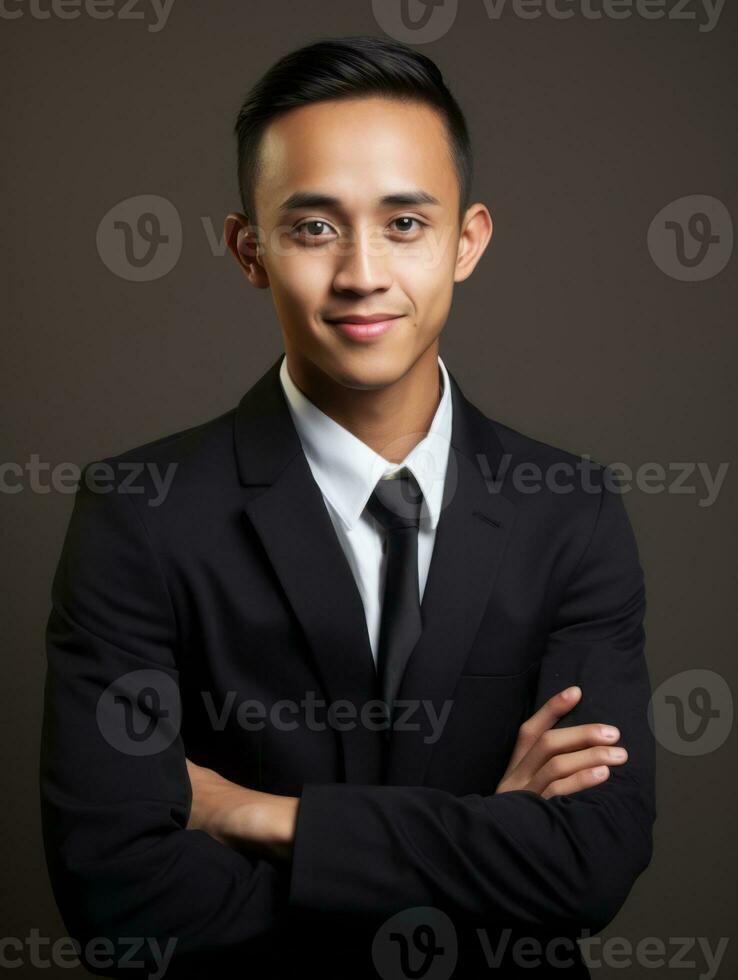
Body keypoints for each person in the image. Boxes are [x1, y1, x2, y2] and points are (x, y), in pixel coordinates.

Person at [39, 35, 656, 979]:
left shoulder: (569, 509)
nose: (362, 272)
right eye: (314, 227)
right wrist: (490, 840)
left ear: (469, 240)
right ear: (250, 249)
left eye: (405, 223)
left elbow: (589, 862)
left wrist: (261, 817)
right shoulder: (139, 512)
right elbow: (117, 893)